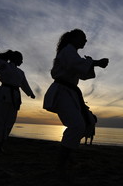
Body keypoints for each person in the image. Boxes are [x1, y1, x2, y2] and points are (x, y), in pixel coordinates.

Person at [43, 29, 109, 172]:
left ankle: (69, 156)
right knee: (77, 125)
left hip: (70, 92)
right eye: (83, 38)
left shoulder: (72, 53)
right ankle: (61, 164)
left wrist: (90, 63)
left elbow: (82, 73)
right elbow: (75, 64)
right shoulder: (68, 51)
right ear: (73, 38)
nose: (85, 41)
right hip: (62, 91)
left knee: (87, 122)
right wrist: (95, 62)